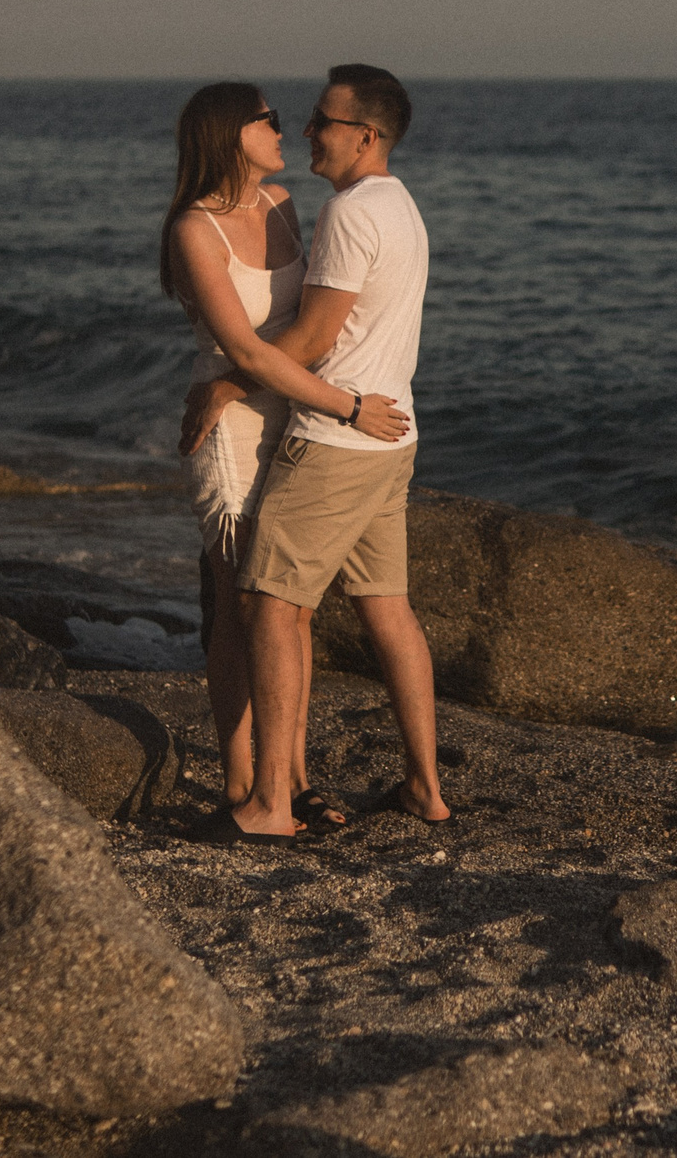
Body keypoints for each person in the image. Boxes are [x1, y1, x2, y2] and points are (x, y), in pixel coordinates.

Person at [181, 63, 447, 846]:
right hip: (391, 432)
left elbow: (315, 336)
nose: (306, 132)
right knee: (387, 608)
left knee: (269, 604)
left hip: (338, 437)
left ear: (367, 136)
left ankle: (268, 803)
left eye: (323, 121)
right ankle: (426, 790)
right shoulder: (399, 205)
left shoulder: (347, 212)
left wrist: (226, 387)